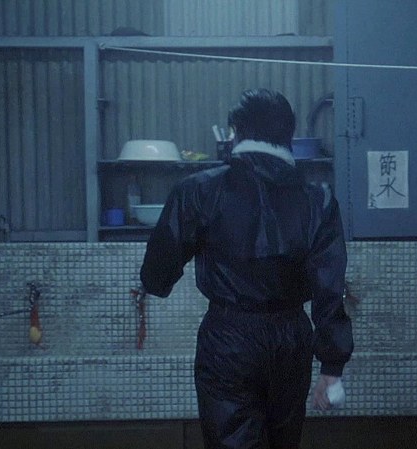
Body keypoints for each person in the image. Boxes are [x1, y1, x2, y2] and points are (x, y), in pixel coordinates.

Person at [139, 88, 353, 448]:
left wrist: (153, 282)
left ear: (236, 132)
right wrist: (332, 367)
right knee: (283, 440)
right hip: (291, 337)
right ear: (289, 135)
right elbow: (329, 288)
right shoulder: (318, 200)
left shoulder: (198, 191)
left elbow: (158, 273)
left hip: (229, 338)